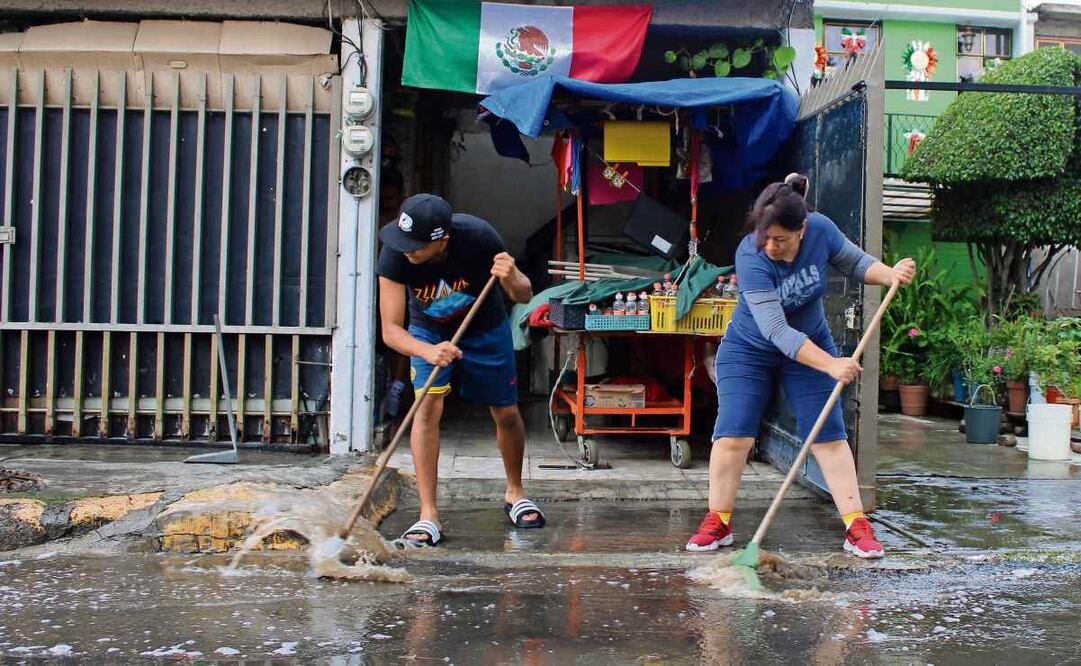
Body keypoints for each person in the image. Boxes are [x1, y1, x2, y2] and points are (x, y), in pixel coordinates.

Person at [685, 174, 915, 558]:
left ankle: (856, 525)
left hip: (811, 343)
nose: (771, 246)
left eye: (780, 239)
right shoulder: (750, 254)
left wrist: (889, 273)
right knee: (734, 435)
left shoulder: (821, 230)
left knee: (828, 437)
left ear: (802, 229)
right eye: (766, 238)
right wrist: (831, 365)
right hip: (750, 348)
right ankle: (718, 521)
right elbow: (775, 329)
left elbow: (857, 263)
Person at [377, 194, 543, 547]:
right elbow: (391, 331)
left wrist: (511, 275)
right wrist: (427, 350)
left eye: (417, 246)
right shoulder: (395, 254)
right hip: (426, 332)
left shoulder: (479, 237)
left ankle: (516, 492)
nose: (407, 250)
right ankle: (428, 515)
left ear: (442, 240)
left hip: (485, 328)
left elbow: (525, 294)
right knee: (426, 411)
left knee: (506, 411)